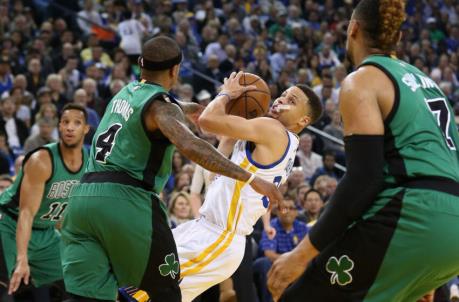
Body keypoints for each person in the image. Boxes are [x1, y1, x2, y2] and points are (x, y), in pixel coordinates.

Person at [60, 36, 282, 302]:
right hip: (124, 202)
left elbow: (171, 109)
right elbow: (190, 145)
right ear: (175, 70)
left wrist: (214, 103)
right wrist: (250, 177)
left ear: (142, 66)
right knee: (164, 291)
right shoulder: (160, 108)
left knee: (87, 296)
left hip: (82, 201)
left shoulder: (126, 92)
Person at [267, 1, 459, 301]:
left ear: (352, 28)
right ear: (396, 38)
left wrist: (299, 255)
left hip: (414, 217)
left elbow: (363, 179)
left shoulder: (363, 79)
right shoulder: (429, 85)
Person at [173, 71, 323, 302]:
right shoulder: (274, 138)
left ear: (303, 121)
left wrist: (226, 94)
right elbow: (215, 165)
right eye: (282, 95)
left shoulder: (272, 130)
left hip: (217, 237)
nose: (281, 100)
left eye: (291, 101)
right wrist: (231, 128)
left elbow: (206, 122)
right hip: (208, 231)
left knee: (144, 284)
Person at [0, 103, 89, 301]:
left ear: (86, 129)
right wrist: (22, 257)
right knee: (6, 290)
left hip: (46, 234)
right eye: (65, 122)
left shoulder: (89, 163)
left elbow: (65, 213)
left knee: (77, 282)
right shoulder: (42, 160)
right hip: (9, 225)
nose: (69, 127)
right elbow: (26, 213)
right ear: (59, 127)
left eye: (76, 123)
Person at [253, 197, 309, 302]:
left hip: (296, 262)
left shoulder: (303, 227)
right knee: (264, 263)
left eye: (291, 208)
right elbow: (269, 254)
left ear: (296, 212)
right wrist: (292, 261)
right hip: (274, 263)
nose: (287, 211)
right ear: (277, 212)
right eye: (284, 208)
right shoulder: (271, 226)